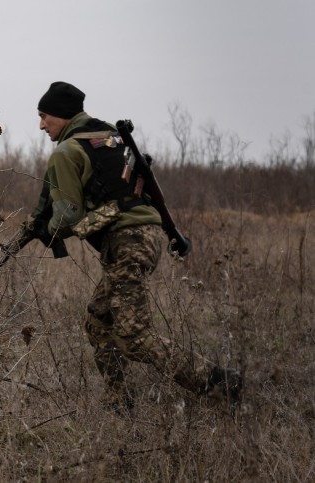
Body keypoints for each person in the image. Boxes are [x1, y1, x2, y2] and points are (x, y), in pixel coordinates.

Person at [27, 81, 242, 411]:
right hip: (145, 236)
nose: (41, 125)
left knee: (134, 337)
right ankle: (118, 403)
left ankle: (218, 383)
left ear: (61, 115)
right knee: (98, 321)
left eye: (44, 116)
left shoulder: (67, 151)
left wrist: (47, 231)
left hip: (127, 242)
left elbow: (68, 214)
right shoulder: (109, 136)